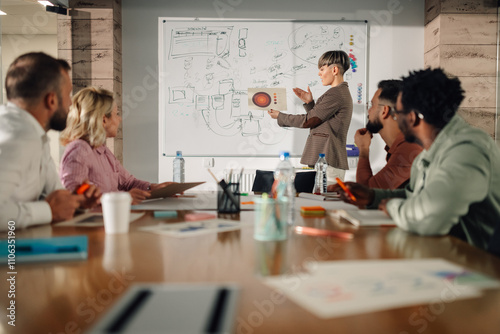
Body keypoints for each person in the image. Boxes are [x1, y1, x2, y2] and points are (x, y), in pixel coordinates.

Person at [330, 68, 500, 250]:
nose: (395, 120)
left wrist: (393, 207)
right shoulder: (432, 150)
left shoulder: (466, 150)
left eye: (398, 114)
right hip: (442, 253)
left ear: (411, 118)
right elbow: (415, 196)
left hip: (475, 266)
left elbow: (431, 215)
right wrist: (373, 197)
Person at [0, 52, 100, 231]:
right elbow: (50, 208)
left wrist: (77, 200)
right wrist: (48, 211)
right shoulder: (17, 137)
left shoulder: (37, 135)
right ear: (52, 100)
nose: (71, 104)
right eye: (69, 95)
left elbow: (55, 195)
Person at [59, 87, 172, 204]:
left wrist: (153, 188)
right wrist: (124, 198)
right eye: (116, 114)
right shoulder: (79, 150)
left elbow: (128, 183)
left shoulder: (102, 149)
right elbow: (75, 194)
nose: (120, 119)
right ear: (104, 120)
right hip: (94, 220)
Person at [268, 50, 353, 183]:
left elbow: (309, 121)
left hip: (329, 162)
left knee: (326, 201)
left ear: (334, 70)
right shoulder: (338, 92)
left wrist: (280, 116)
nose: (319, 73)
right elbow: (321, 120)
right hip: (326, 162)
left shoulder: (336, 94)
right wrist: (309, 103)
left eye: (322, 69)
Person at [355, 80, 422, 189]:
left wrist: (363, 149)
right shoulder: (406, 144)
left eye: (372, 105)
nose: (369, 111)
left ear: (384, 111)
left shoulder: (409, 148)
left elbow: (366, 192)